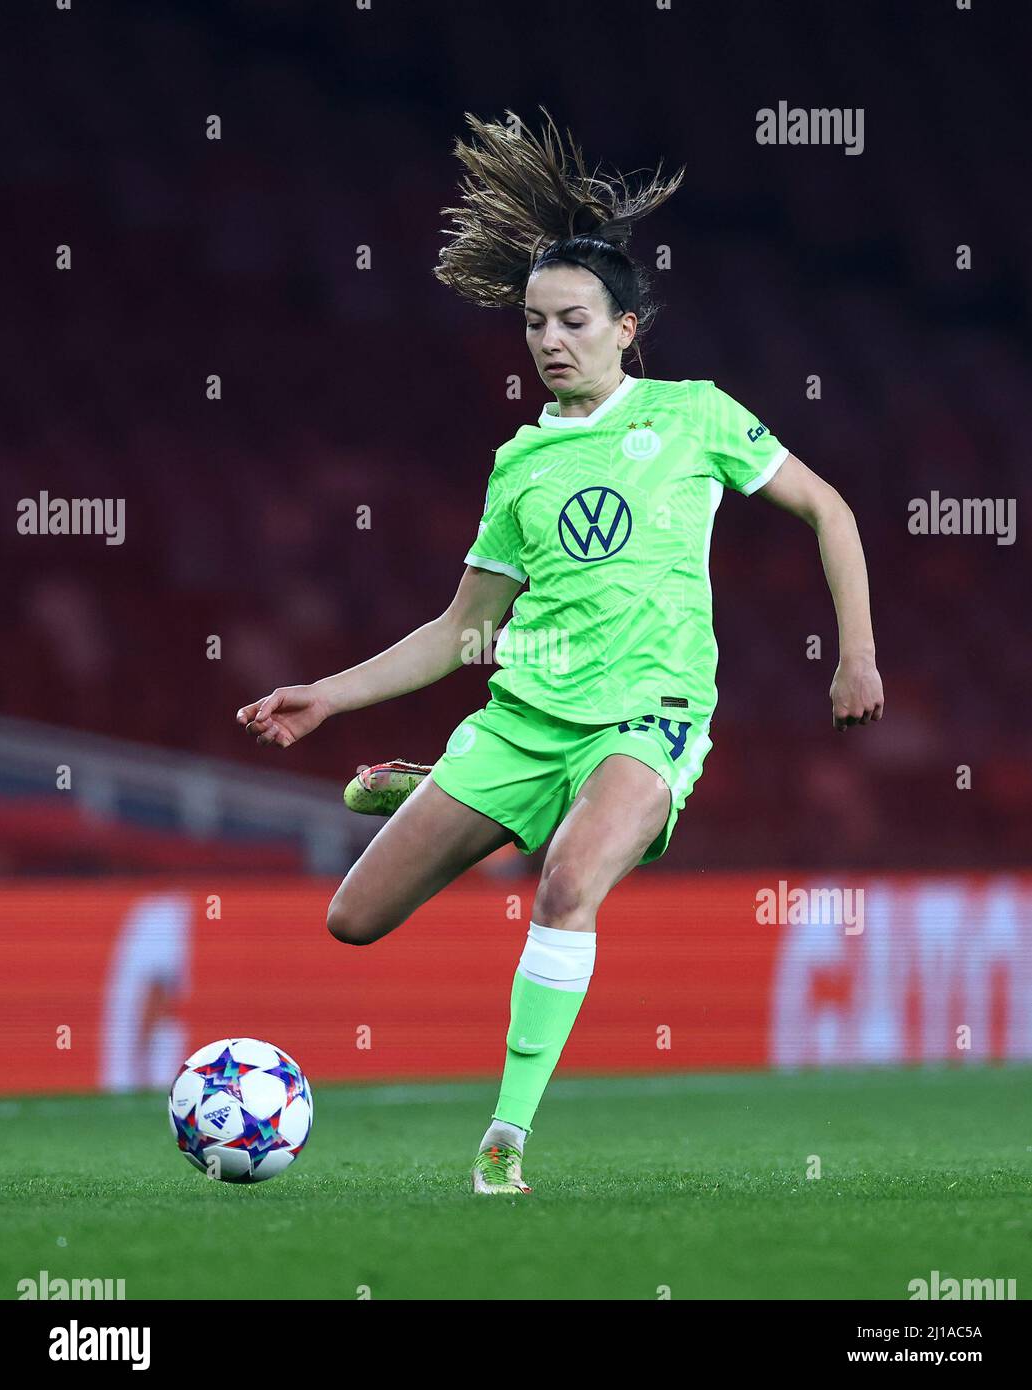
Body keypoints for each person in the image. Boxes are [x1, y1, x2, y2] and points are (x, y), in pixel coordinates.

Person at [236, 107, 885, 1195]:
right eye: (534, 322)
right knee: (352, 921)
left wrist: (854, 652)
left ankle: (505, 1139)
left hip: (650, 713)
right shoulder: (519, 466)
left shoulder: (696, 417)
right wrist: (330, 696)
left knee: (567, 881)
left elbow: (829, 509)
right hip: (525, 718)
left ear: (627, 327)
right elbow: (461, 633)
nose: (549, 340)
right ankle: (432, 784)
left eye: (574, 320)